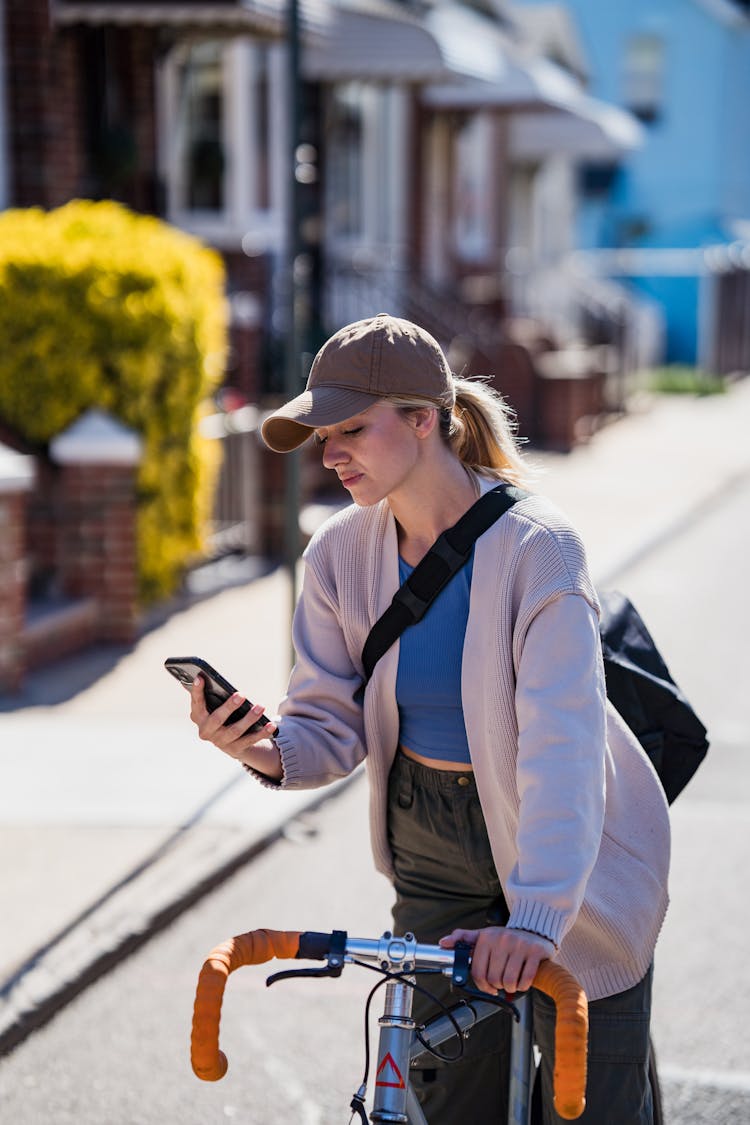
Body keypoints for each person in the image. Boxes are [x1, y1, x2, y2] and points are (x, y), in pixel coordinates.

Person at [188, 313, 670, 1123]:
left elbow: (564, 747)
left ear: (423, 419)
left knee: (591, 1102)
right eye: (321, 433)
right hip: (431, 848)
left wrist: (540, 915)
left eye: (349, 429)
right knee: (443, 1098)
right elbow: (326, 722)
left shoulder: (538, 548)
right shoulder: (337, 554)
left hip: (572, 851)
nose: (329, 451)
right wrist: (266, 747)